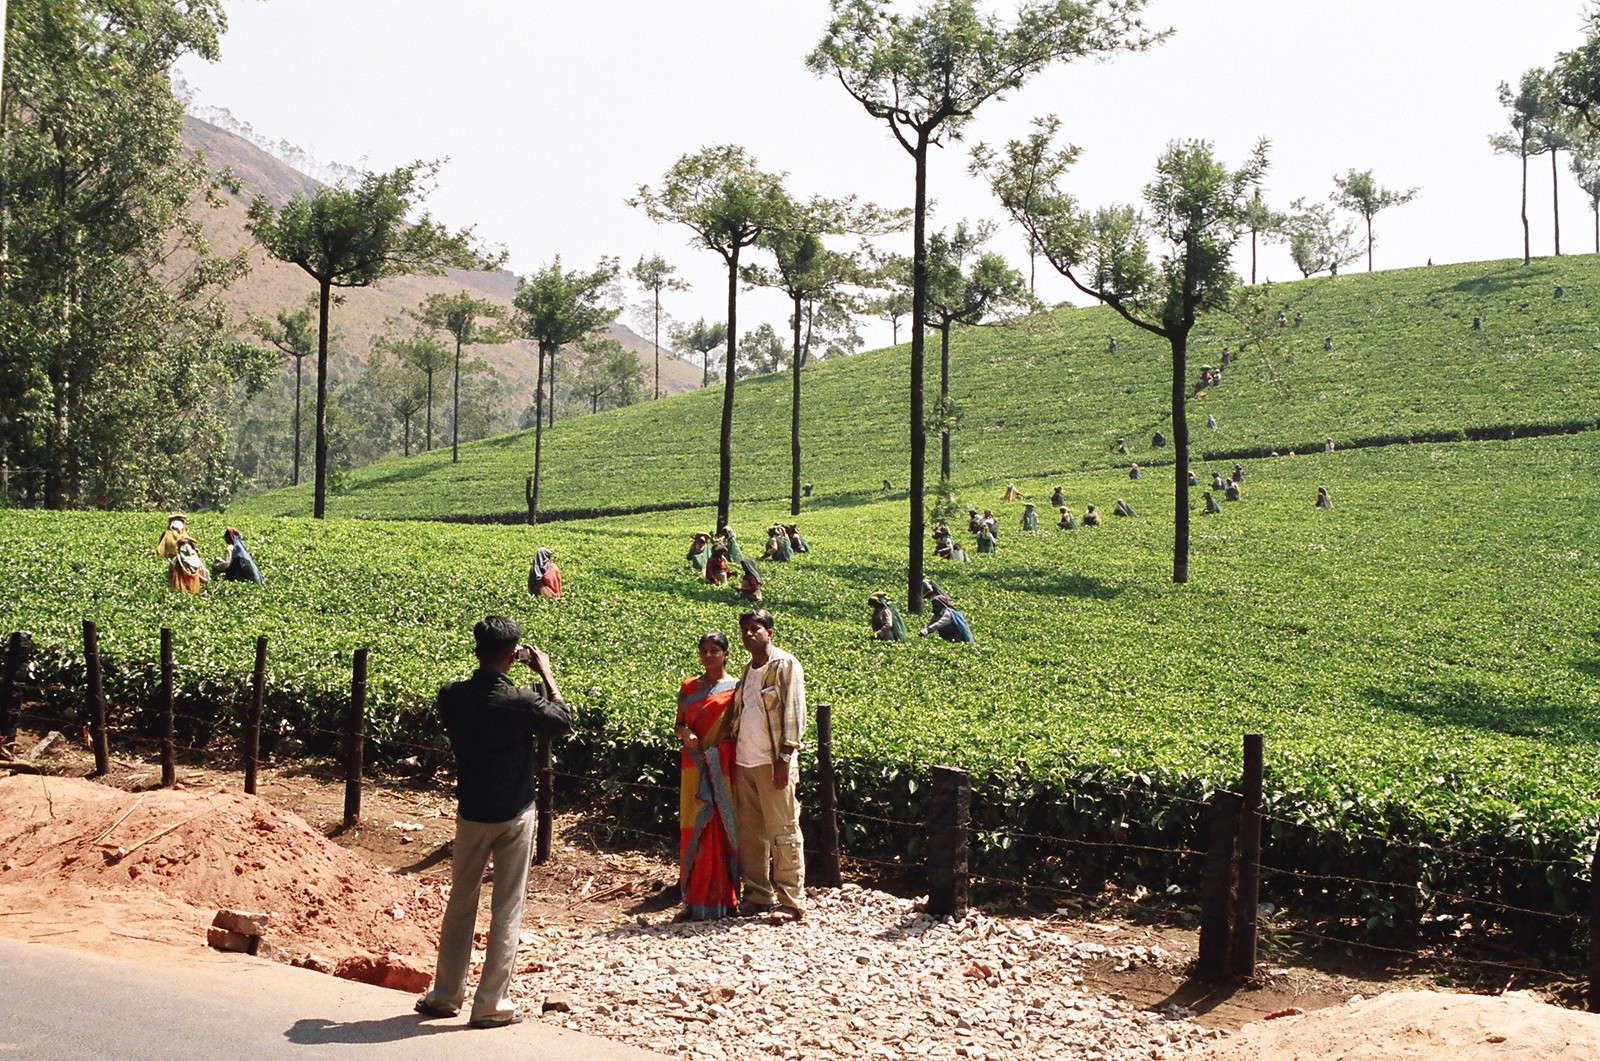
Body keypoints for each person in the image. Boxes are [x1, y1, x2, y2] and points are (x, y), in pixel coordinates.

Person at [415, 616, 570, 1028]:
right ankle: (490, 1003)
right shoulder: (520, 700)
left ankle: (445, 994)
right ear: (513, 654)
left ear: (476, 651)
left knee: (460, 901)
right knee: (507, 906)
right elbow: (561, 722)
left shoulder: (451, 695)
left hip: (471, 811)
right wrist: (547, 672)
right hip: (515, 811)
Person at [730, 608, 806, 921]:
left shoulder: (785, 665)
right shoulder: (748, 670)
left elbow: (794, 715)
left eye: (756, 629)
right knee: (751, 833)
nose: (750, 634)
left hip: (773, 762)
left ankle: (791, 899)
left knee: (783, 830)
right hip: (745, 761)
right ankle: (758, 895)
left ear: (770, 632)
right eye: (745, 629)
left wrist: (784, 759)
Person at [674, 632, 740, 920]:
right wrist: (685, 733)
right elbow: (678, 725)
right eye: (704, 651)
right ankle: (694, 899)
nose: (708, 655)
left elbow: (738, 732)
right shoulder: (689, 688)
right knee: (694, 828)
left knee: (722, 829)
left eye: (714, 650)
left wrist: (716, 753)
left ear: (726, 654)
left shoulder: (736, 688)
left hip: (722, 768)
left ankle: (725, 900)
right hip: (693, 766)